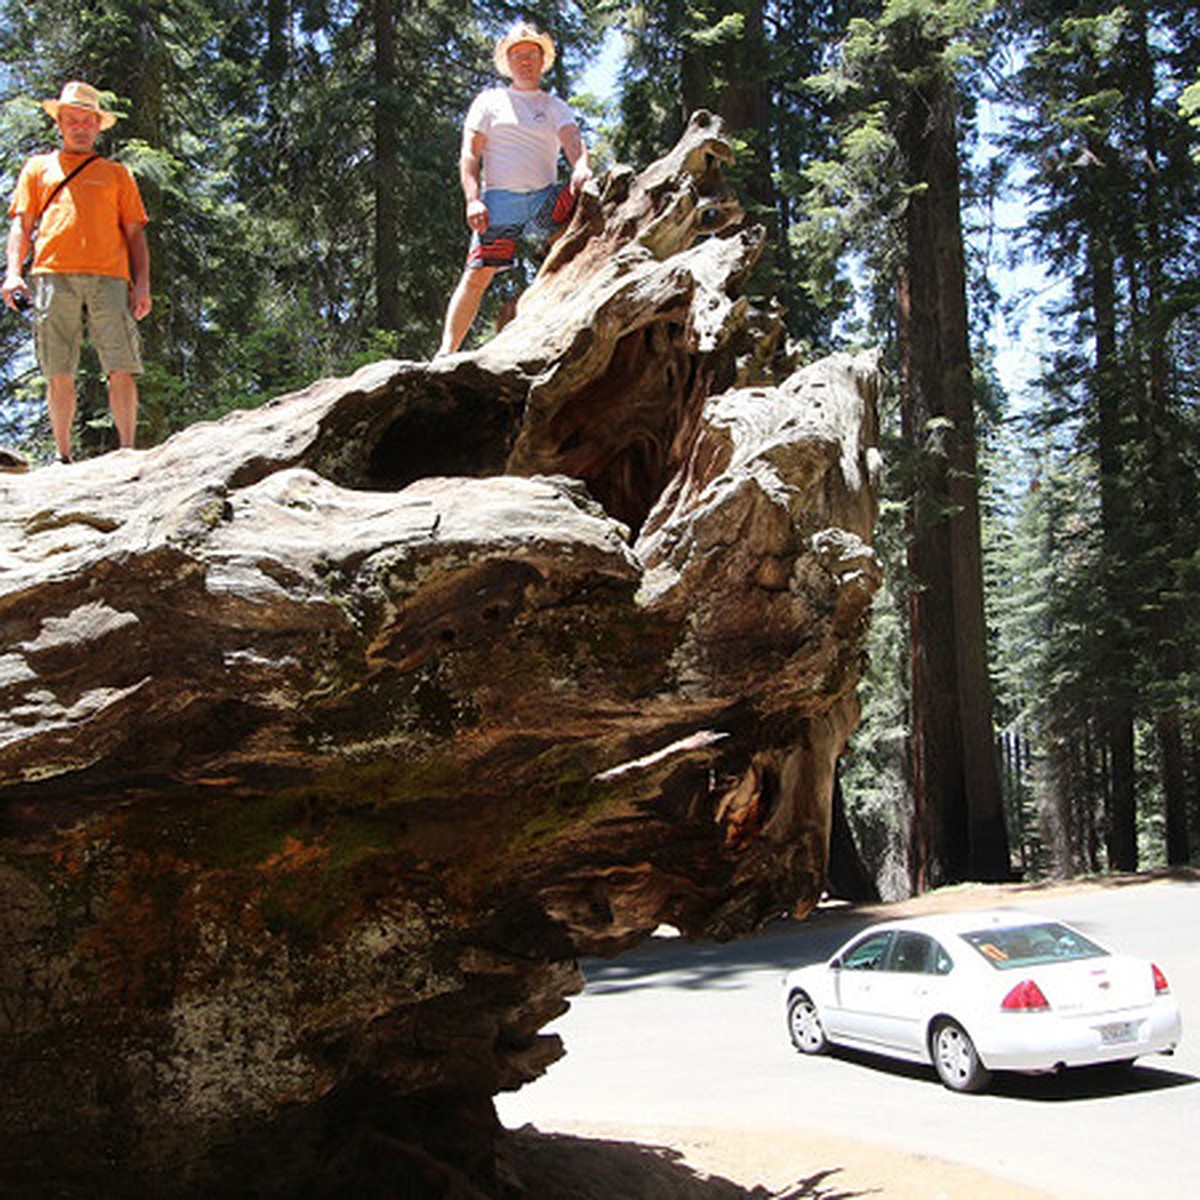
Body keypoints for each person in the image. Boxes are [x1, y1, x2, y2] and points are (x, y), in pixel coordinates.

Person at [3, 80, 151, 463]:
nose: (80, 127)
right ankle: (63, 456)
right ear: (61, 123)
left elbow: (135, 234)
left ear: (98, 126)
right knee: (58, 367)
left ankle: (127, 453)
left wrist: (142, 286)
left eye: (88, 121)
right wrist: (13, 274)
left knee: (121, 364)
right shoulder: (38, 168)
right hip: (53, 273)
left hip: (111, 276)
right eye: (73, 120)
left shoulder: (117, 174)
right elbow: (22, 223)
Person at [437, 22, 591, 356]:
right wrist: (472, 200)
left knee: (576, 242)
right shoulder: (489, 102)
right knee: (478, 274)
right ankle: (446, 353)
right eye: (517, 55)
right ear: (508, 62)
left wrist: (581, 167)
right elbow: (469, 154)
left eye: (531, 54)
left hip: (544, 200)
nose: (525, 61)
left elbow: (574, 142)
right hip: (499, 201)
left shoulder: (554, 106)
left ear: (542, 60)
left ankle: (569, 340)